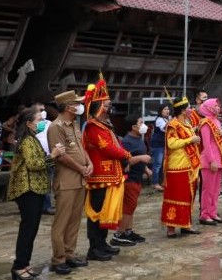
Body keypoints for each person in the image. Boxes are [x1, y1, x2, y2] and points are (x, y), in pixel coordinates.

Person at [82, 77, 150, 261]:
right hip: (99, 176)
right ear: (98, 106)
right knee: (96, 214)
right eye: (106, 103)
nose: (109, 105)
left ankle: (102, 244)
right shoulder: (92, 126)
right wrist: (127, 155)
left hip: (110, 174)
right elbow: (107, 147)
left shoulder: (103, 125)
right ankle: (94, 248)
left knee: (104, 212)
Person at [7, 107, 66, 280]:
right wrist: (53, 155)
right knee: (27, 229)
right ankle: (18, 267)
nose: (42, 122)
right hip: (28, 189)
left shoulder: (33, 139)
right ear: (29, 124)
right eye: (39, 120)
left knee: (31, 229)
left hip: (36, 188)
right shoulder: (26, 140)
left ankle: (24, 264)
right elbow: (35, 164)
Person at [47, 90, 91, 275]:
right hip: (66, 181)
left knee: (74, 221)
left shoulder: (73, 124)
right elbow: (61, 155)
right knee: (62, 222)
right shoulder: (56, 127)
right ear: (68, 107)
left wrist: (90, 163)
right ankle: (58, 259)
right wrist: (81, 168)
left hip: (79, 180)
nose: (79, 106)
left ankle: (69, 254)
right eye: (76, 103)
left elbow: (81, 147)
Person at [161, 96, 202, 238]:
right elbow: (172, 143)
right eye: (188, 108)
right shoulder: (173, 124)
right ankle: (171, 228)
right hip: (177, 167)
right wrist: (191, 139)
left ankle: (186, 224)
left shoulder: (187, 123)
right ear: (183, 110)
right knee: (176, 197)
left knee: (188, 197)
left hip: (189, 166)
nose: (191, 110)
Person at [111, 116, 151, 246]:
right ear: (133, 127)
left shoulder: (138, 139)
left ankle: (128, 231)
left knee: (131, 207)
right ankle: (119, 234)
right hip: (130, 179)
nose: (143, 125)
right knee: (127, 207)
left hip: (138, 178)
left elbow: (139, 158)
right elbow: (126, 160)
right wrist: (141, 158)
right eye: (140, 123)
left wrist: (145, 169)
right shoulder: (127, 142)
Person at [198, 98, 222, 225]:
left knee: (216, 189)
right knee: (207, 189)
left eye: (218, 105)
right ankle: (205, 214)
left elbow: (219, 138)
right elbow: (206, 144)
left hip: (219, 158)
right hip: (209, 160)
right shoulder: (205, 123)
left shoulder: (216, 120)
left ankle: (213, 212)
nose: (218, 108)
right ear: (209, 108)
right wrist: (212, 161)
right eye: (215, 106)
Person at [150, 104, 170, 191]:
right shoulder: (159, 120)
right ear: (160, 111)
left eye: (168, 109)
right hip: (157, 145)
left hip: (163, 144)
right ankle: (155, 183)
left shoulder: (167, 119)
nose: (167, 111)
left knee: (162, 164)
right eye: (165, 109)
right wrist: (174, 120)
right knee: (157, 165)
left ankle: (162, 182)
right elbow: (165, 127)